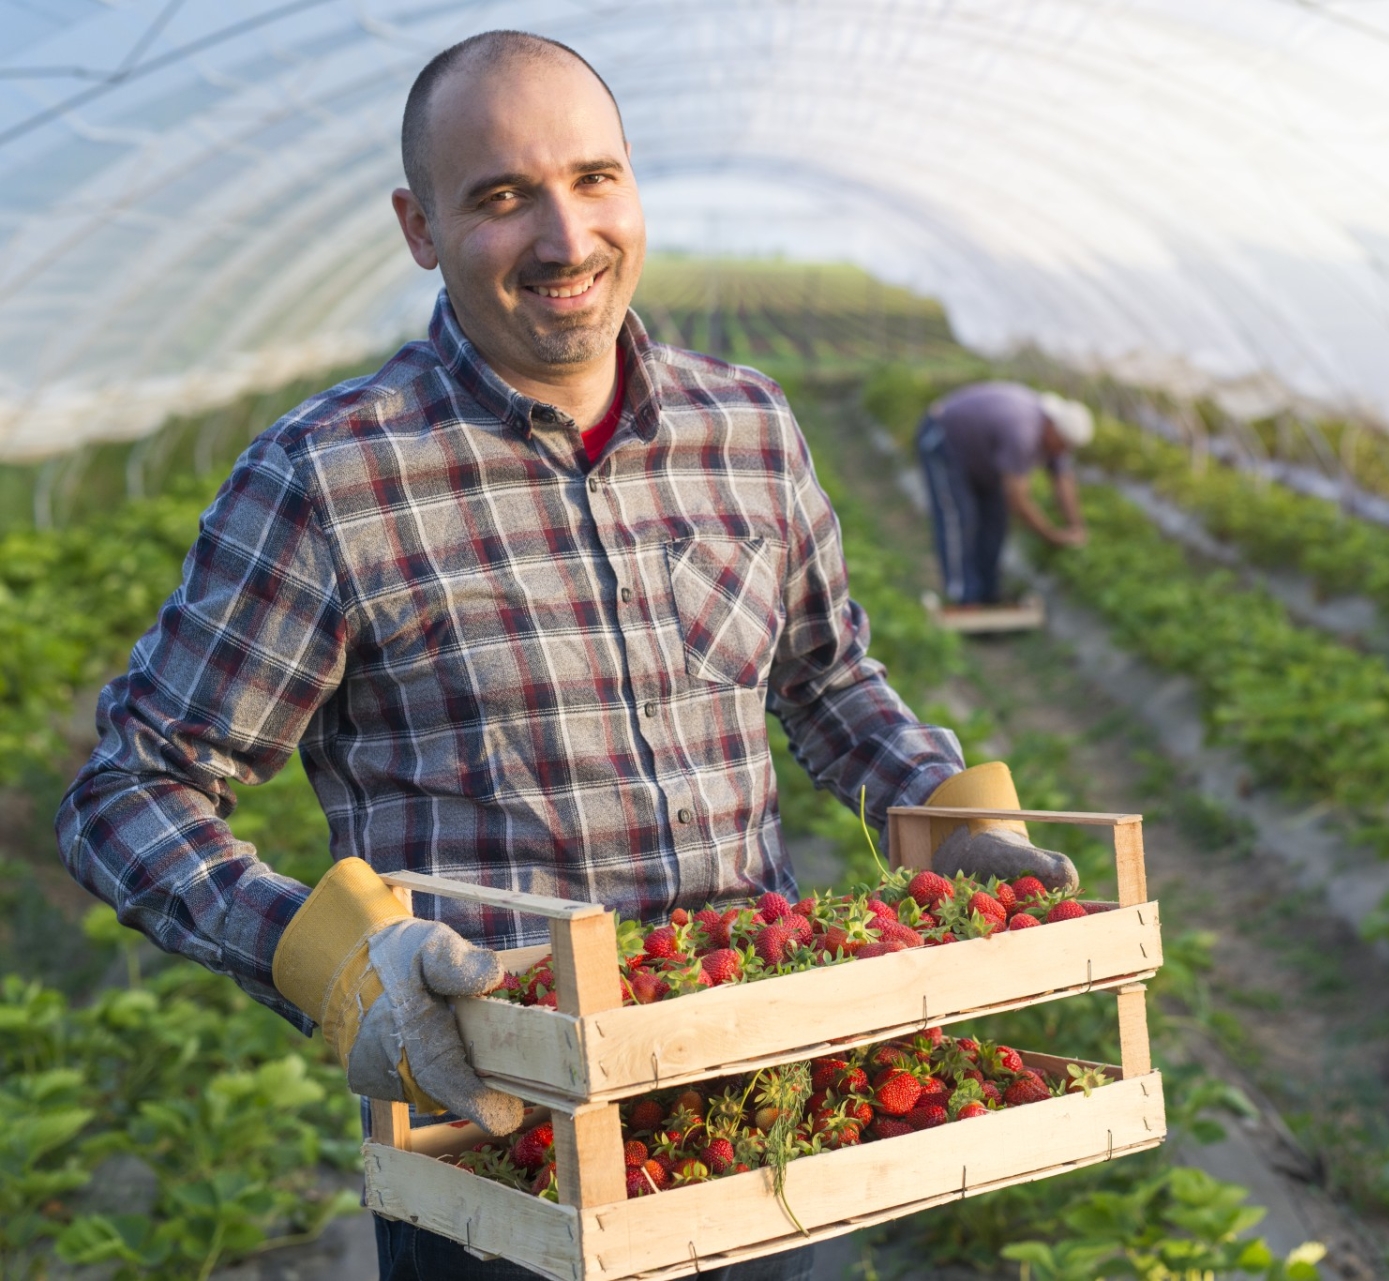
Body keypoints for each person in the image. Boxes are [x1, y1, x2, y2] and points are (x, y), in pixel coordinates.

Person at [55, 31, 1079, 1281]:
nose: (564, 236)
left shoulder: (746, 429)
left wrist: (940, 808)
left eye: (593, 179)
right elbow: (133, 786)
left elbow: (824, 678)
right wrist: (327, 962)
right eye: (500, 197)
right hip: (501, 1154)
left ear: (633, 186)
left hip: (757, 1111)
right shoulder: (333, 478)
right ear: (418, 227)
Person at [916, 381, 1094, 607]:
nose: (1063, 451)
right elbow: (1018, 500)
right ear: (1053, 428)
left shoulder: (1053, 436)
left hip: (983, 459)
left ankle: (988, 592)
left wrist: (1076, 526)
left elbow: (1063, 480)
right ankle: (964, 596)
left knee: (995, 521)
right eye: (1063, 444)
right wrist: (1050, 535)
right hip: (945, 441)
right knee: (958, 519)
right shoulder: (1023, 432)